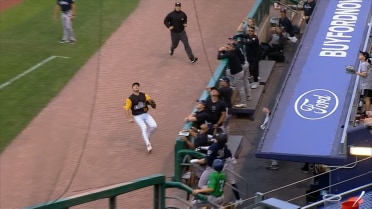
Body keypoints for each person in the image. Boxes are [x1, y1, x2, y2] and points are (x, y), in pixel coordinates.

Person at [190, 133, 243, 206]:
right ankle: (238, 199)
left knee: (202, 184)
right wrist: (202, 147)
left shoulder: (214, 147)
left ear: (218, 140)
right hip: (223, 165)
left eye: (216, 138)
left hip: (213, 167)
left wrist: (195, 161)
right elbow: (213, 147)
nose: (215, 139)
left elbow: (204, 160)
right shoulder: (223, 145)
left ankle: (209, 194)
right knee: (231, 181)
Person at [124, 82, 157, 153]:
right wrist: (129, 118)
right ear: (132, 88)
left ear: (139, 88)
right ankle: (148, 144)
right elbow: (126, 109)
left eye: (137, 86)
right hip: (137, 116)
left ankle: (146, 137)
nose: (136, 87)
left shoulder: (144, 95)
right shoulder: (130, 99)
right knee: (144, 128)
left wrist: (151, 102)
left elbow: (150, 100)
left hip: (146, 114)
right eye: (134, 86)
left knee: (154, 126)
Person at [355, 51, 372, 115]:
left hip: (367, 84)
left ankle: (367, 113)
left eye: (361, 55)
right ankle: (367, 111)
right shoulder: (367, 64)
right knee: (367, 98)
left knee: (367, 98)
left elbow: (364, 74)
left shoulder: (364, 64)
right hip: (369, 83)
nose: (359, 55)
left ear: (364, 56)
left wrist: (355, 72)